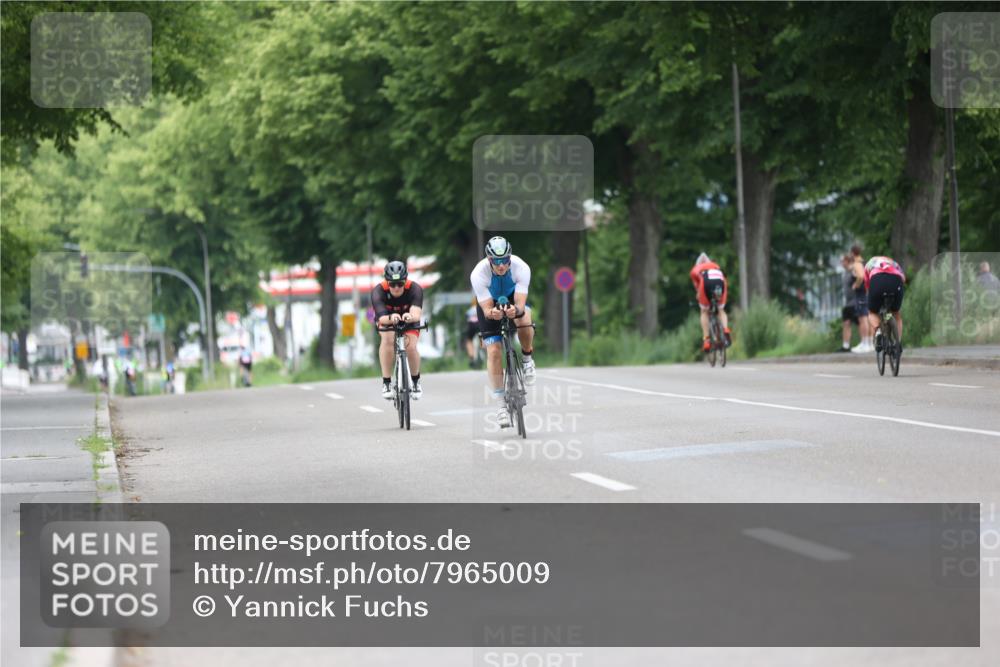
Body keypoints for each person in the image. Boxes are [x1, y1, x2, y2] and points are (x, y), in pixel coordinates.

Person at [471, 236, 535, 428]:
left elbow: (521, 304)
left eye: (505, 260)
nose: (501, 265)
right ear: (489, 260)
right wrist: (493, 313)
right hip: (489, 303)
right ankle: (500, 406)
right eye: (497, 261)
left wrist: (516, 310)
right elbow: (486, 309)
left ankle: (527, 358)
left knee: (524, 319)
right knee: (493, 350)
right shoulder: (478, 274)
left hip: (512, 297)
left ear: (510, 257)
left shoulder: (521, 267)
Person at [371, 260, 424, 401]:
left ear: (405, 281)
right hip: (387, 318)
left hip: (409, 319)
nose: (396, 288)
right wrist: (391, 317)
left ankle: (415, 381)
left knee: (411, 346)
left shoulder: (415, 289)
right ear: (387, 282)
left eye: (400, 284)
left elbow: (417, 314)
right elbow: (381, 318)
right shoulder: (378, 291)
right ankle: (387, 383)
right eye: (392, 284)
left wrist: (410, 316)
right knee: (387, 340)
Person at [689, 252, 731, 352]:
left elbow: (698, 289)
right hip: (719, 282)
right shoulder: (715, 265)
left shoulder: (695, 270)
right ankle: (725, 330)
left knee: (704, 311)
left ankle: (706, 340)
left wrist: (699, 299)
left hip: (706, 283)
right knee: (721, 310)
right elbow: (724, 281)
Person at [864, 255, 906, 353]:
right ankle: (898, 343)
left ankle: (878, 332)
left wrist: (870, 300)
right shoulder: (894, 263)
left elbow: (867, 285)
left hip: (877, 281)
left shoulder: (869, 263)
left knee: (872, 313)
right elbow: (903, 279)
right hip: (896, 280)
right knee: (896, 313)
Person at [849, 245, 873, 352]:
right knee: (868, 318)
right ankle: (870, 343)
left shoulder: (857, 264)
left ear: (853, 253)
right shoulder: (865, 263)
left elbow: (861, 276)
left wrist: (856, 285)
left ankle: (865, 343)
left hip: (860, 294)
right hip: (867, 293)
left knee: (862, 319)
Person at [838, 254, 860, 352]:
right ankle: (846, 346)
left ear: (848, 261)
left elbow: (861, 278)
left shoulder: (853, 271)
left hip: (855, 302)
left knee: (860, 323)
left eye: (843, 261)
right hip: (847, 303)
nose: (842, 263)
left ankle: (866, 343)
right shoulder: (844, 273)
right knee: (846, 323)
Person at [464, 300, 482, 368]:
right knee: (483, 338)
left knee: (469, 340)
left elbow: (466, 318)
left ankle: (471, 357)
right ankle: (483, 347)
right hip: (479, 325)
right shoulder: (481, 307)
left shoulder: (470, 310)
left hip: (471, 325)